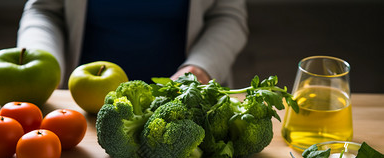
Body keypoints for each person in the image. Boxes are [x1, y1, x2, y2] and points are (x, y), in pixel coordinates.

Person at [17, 0, 248, 88]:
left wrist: (200, 68)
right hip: (83, 101)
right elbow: (44, 10)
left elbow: (227, 15)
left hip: (182, 95)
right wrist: (43, 65)